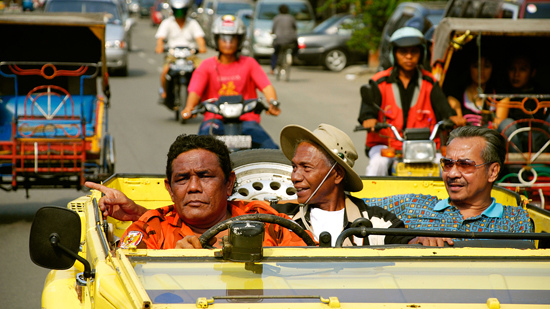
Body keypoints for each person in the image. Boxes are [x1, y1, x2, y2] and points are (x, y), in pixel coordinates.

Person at [85, 134, 307, 249]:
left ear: (229, 183)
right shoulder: (150, 229)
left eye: (205, 176)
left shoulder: (266, 220)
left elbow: (311, 270)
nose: (193, 187)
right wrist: (177, 263)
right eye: (182, 179)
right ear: (170, 190)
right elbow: (123, 286)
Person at [363, 126, 534, 246]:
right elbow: (351, 205)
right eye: (448, 164)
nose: (452, 174)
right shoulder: (411, 206)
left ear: (493, 172)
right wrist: (411, 240)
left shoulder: (515, 220)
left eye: (465, 165)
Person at [273, 123, 416, 246]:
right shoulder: (280, 218)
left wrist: (421, 241)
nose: (295, 177)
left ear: (338, 174)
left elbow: (409, 245)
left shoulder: (377, 222)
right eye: (294, 167)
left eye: (306, 168)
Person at [357, 27, 463, 176]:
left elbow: (444, 108)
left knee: (445, 168)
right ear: (394, 53)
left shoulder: (430, 82)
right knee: (377, 165)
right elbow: (367, 110)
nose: (409, 56)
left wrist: (453, 118)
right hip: (387, 145)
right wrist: (369, 119)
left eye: (414, 51)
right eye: (403, 52)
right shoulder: (379, 81)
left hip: (423, 147)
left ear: (421, 53)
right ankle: (370, 200)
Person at [180, 15, 281, 149]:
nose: (228, 43)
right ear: (216, 39)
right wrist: (189, 107)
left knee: (272, 151)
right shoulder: (206, 66)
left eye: (232, 38)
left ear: (239, 40)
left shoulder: (249, 63)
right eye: (224, 38)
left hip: (247, 121)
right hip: (214, 120)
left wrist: (272, 102)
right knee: (199, 151)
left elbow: (266, 86)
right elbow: (195, 91)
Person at [494, 53, 549, 152]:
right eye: (512, 69)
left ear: (532, 72)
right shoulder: (504, 94)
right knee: (506, 124)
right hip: (516, 139)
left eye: (522, 69)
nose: (516, 74)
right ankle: (517, 167)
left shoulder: (542, 93)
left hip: (541, 139)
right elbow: (499, 122)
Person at [155, 0, 207, 103]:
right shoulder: (167, 23)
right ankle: (164, 92)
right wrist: (159, 47)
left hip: (190, 56)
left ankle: (202, 94)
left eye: (181, 11)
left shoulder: (192, 23)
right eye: (177, 11)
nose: (179, 14)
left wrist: (202, 47)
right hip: (173, 55)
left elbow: (200, 39)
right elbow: (160, 39)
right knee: (165, 71)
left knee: (201, 70)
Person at [447, 54, 496, 127]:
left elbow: (499, 124)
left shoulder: (497, 96)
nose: (481, 71)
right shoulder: (457, 96)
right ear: (469, 68)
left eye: (486, 66)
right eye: (476, 66)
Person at [270, 4, 297, 74]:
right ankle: (295, 57)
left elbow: (273, 29)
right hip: (290, 40)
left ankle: (272, 68)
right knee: (297, 46)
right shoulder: (291, 18)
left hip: (279, 40)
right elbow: (295, 28)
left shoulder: (276, 18)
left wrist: (272, 33)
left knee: (275, 53)